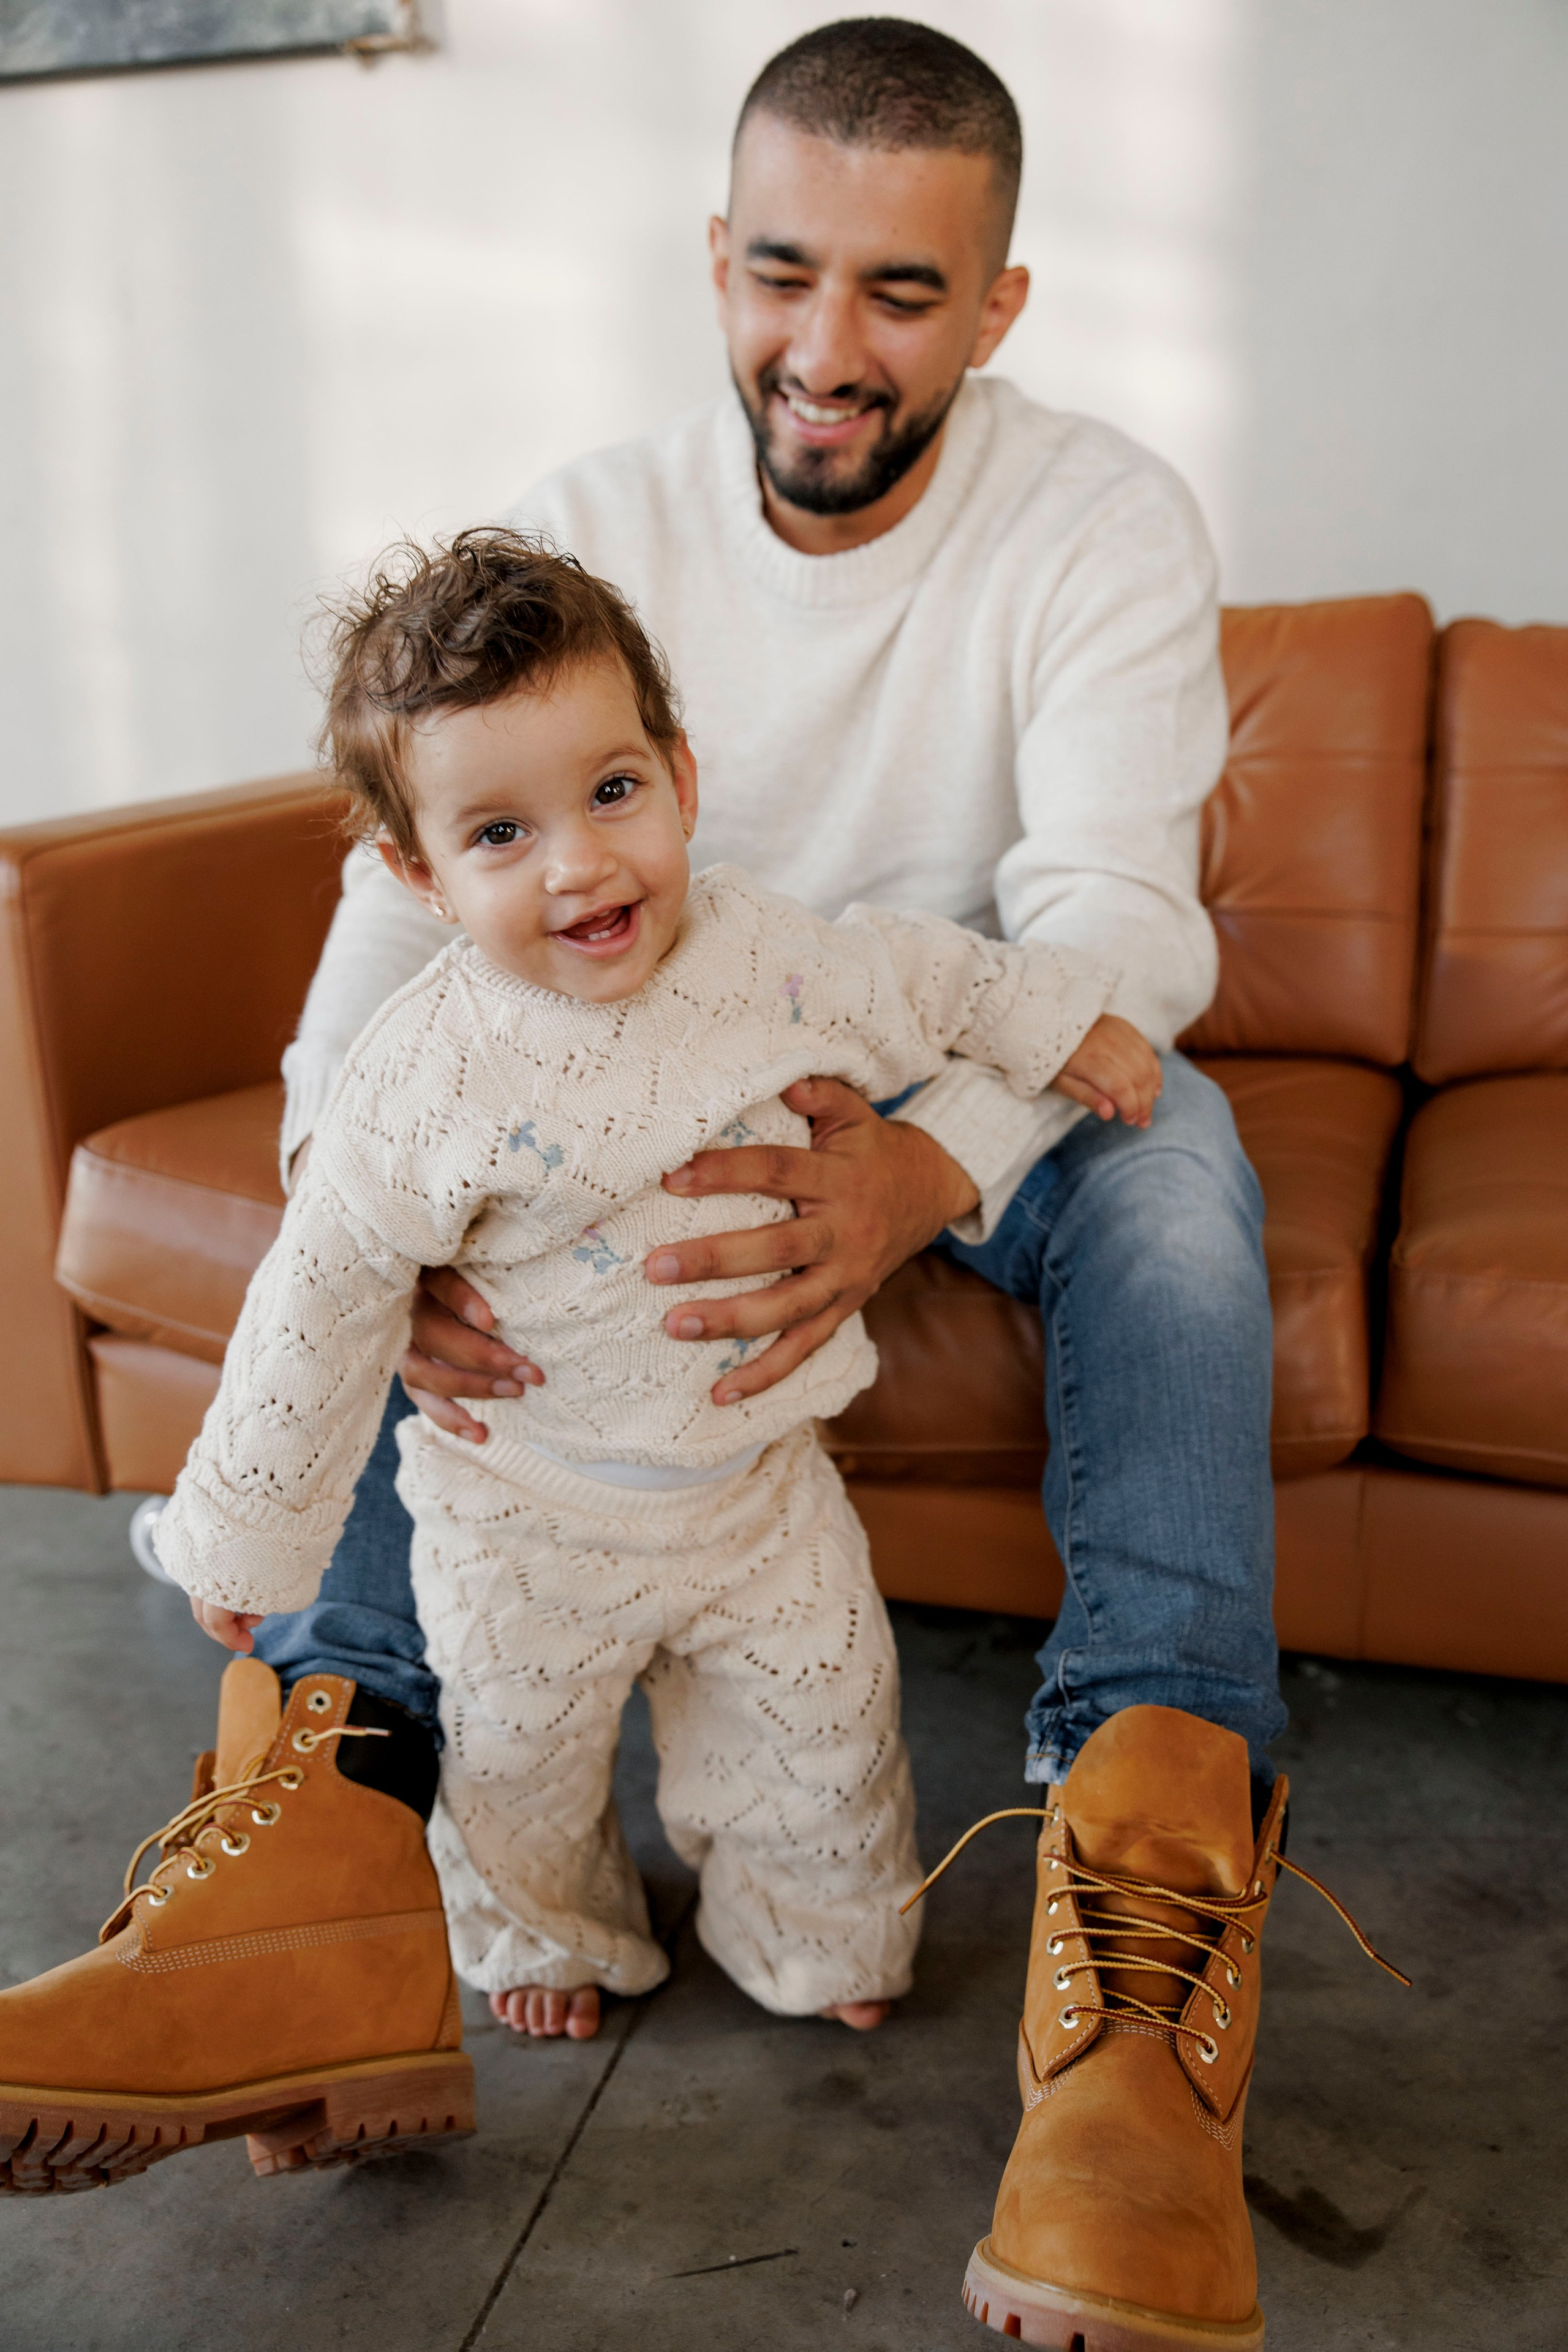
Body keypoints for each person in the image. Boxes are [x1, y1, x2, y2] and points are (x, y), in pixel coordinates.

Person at [0, 20, 1305, 2348]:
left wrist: (916, 1168)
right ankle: (327, 1854)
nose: (828, 346)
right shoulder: (592, 515)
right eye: (784, 273)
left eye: (903, 292)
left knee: (1178, 1165)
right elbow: (394, 922)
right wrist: (352, 1187)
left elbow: (1114, 924)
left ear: (999, 305)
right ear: (718, 259)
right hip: (605, 1104)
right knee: (383, 1218)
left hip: (936, 1070)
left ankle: (1145, 1914)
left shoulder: (1102, 517)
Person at [155, 526, 1144, 2049]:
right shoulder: (420, 1079)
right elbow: (318, 1302)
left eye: (611, 792)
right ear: (418, 873)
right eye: (501, 833)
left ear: (680, 778)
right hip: (522, 1518)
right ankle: (551, 1931)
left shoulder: (760, 955)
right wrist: (244, 1534)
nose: (580, 863)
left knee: (822, 1730)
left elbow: (917, 973)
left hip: (758, 1489)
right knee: (516, 1766)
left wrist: (1053, 1023)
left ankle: (814, 1934)